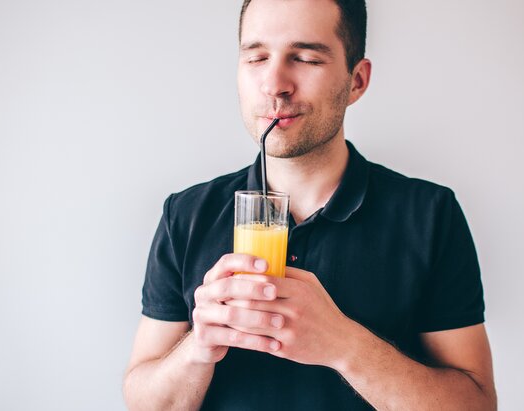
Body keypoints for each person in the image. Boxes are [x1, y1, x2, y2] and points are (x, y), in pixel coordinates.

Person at [123, 0, 497, 409]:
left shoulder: (431, 215)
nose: (274, 84)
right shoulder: (185, 215)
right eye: (257, 58)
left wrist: (344, 345)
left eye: (304, 58)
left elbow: (477, 405)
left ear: (356, 81)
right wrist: (197, 348)